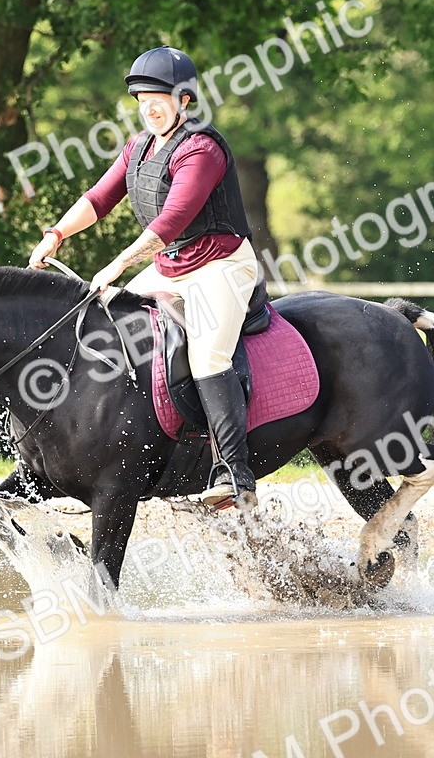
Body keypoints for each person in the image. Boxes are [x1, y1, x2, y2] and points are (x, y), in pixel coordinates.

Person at [28, 46, 260, 510]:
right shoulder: (139, 147)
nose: (149, 106)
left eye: (160, 96)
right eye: (142, 98)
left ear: (185, 99)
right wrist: (56, 234)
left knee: (207, 356)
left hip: (221, 265)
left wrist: (118, 265)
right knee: (107, 327)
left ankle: (234, 475)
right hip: (173, 265)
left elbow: (171, 220)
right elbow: (99, 198)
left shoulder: (203, 148)